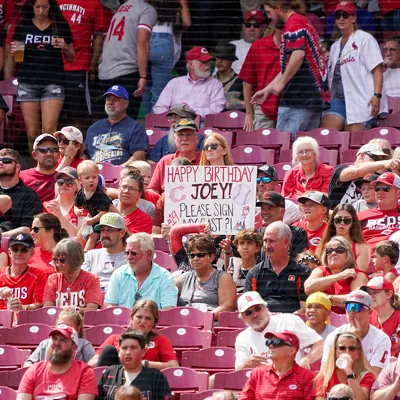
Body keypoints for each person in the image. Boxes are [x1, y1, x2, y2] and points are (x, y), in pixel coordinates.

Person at [5, 0, 74, 154]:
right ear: (32, 7)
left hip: (53, 80)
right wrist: (15, 52)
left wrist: (65, 46)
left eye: (45, 7)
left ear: (50, 7)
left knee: (49, 130)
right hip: (28, 81)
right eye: (37, 7)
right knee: (32, 134)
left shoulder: (59, 25)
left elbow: (72, 57)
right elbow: (18, 58)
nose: (41, 11)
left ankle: (51, 169)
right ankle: (35, 172)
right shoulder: (23, 25)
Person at [252, 0, 329, 134]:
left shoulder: (293, 24)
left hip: (298, 98)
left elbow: (298, 55)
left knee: (286, 145)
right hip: (313, 97)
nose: (269, 17)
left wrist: (282, 83)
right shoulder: (302, 21)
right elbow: (289, 66)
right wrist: (268, 89)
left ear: (279, 7)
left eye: (269, 12)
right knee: (306, 146)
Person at [320, 1, 386, 132]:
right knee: (327, 134)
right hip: (339, 98)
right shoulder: (334, 46)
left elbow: (378, 69)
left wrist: (376, 96)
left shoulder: (365, 39)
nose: (341, 18)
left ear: (353, 18)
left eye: (345, 15)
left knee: (354, 138)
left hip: (361, 98)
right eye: (338, 15)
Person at [98, 0, 157, 120]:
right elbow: (143, 43)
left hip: (105, 73)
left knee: (111, 122)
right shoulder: (146, 9)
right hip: (126, 72)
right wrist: (143, 76)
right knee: (126, 124)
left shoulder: (121, 9)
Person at [235, 291, 323, 370]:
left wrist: (306, 360)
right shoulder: (242, 337)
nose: (255, 315)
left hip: (294, 379)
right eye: (248, 313)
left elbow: (320, 344)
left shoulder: (289, 320)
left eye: (258, 308)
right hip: (263, 384)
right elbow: (238, 368)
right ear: (242, 318)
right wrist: (246, 364)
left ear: (266, 308)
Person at [88, 300, 178, 370]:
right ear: (131, 318)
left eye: (148, 318)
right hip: (115, 381)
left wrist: (143, 364)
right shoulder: (114, 338)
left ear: (154, 323)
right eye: (139, 317)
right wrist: (119, 358)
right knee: (109, 350)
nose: (142, 321)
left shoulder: (161, 341)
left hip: (145, 381)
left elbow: (173, 366)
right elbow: (91, 364)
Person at [57, 0, 104, 133]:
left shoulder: (94, 4)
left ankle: (79, 148)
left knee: (78, 114)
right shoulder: (53, 2)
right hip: (54, 66)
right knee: (55, 114)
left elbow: (98, 36)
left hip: (79, 67)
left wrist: (93, 64)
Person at [244, 221, 311, 313]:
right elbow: (248, 306)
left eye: (272, 241)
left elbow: (305, 309)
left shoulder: (303, 272)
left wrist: (283, 320)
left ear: (286, 243)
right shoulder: (254, 273)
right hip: (263, 322)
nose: (267, 246)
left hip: (292, 322)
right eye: (265, 241)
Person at [17, 325, 98, 399]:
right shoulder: (33, 371)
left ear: (74, 348)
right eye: (54, 339)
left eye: (63, 340)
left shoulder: (84, 372)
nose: (56, 343)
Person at [322, 290, 391, 375]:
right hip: (339, 384)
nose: (351, 311)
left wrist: (356, 342)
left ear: (370, 312)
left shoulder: (381, 339)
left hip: (367, 386)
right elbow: (324, 372)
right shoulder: (334, 335)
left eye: (357, 307)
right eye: (348, 306)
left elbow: (375, 375)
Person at [105, 233, 178, 310]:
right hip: (121, 322)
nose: (129, 257)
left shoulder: (165, 277)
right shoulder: (118, 274)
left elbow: (168, 310)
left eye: (133, 253)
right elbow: (109, 306)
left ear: (149, 254)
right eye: (127, 253)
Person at [238, 330, 315, 400]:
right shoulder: (258, 373)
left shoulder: (307, 377)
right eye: (269, 342)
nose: (271, 346)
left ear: (292, 351)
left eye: (276, 343)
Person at [153, 46, 226, 118]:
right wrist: (172, 117)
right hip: (173, 124)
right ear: (191, 64)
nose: (208, 65)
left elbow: (217, 109)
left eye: (209, 62)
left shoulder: (215, 84)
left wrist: (191, 114)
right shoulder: (175, 83)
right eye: (203, 62)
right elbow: (159, 107)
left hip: (202, 125)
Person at [97, 330, 172, 400]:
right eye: (124, 348)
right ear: (119, 352)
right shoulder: (110, 372)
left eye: (133, 348)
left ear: (143, 351)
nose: (128, 352)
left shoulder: (156, 377)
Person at [175, 234, 236, 318]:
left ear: (211, 257)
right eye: (192, 256)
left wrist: (203, 318)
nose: (195, 258)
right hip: (184, 321)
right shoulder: (183, 278)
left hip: (211, 324)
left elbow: (227, 306)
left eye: (200, 255)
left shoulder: (222, 277)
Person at [85, 85, 148, 165]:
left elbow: (139, 157)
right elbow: (85, 156)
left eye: (115, 100)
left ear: (126, 104)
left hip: (123, 174)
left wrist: (118, 170)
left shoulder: (136, 128)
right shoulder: (94, 128)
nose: (110, 103)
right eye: (108, 99)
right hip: (95, 175)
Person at [305, 236, 368, 314]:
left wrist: (327, 298)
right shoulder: (320, 271)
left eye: (339, 250)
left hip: (348, 319)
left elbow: (357, 300)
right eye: (329, 250)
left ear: (348, 254)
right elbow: (308, 288)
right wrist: (339, 276)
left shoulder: (357, 274)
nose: (333, 253)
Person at [239, 17, 281, 130]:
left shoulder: (297, 47)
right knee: (263, 145)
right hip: (264, 106)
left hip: (290, 106)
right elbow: (247, 82)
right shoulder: (258, 46)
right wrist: (249, 113)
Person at [142, 0, 183, 114]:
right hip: (163, 41)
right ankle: (155, 128)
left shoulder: (148, 4)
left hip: (146, 38)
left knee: (146, 89)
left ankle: (148, 126)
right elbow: (187, 23)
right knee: (159, 95)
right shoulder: (173, 3)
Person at [328, 143, 399, 208]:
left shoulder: (378, 176)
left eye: (381, 159)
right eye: (375, 158)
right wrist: (384, 163)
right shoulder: (340, 169)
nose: (378, 162)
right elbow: (356, 171)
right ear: (362, 156)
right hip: (341, 219)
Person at [43, 238, 103, 311]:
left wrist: (73, 310)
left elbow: (91, 310)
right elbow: (47, 309)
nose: (58, 264)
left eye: (62, 260)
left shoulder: (91, 279)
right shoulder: (53, 279)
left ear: (74, 259)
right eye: (55, 260)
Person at [25, 306, 95, 366]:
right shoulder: (45, 344)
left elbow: (93, 364)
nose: (63, 327)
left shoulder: (84, 344)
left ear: (77, 329)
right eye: (60, 324)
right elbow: (28, 363)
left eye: (68, 325)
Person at [314, 332, 375, 400]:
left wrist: (349, 372)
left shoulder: (366, 376)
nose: (347, 352)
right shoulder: (324, 377)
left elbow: (361, 399)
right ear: (335, 352)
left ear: (358, 354)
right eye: (342, 348)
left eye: (352, 348)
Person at [148, 119, 201, 194]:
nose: (185, 139)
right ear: (175, 139)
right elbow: (152, 190)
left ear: (196, 139)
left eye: (189, 134)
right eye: (180, 135)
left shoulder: (206, 160)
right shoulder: (165, 161)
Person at [0, 148, 42, 237]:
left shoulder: (30, 196)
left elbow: (27, 229)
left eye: (6, 160)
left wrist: (1, 236)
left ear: (18, 167)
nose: (1, 163)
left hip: (14, 246)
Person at [0, 233, 47, 311]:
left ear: (32, 253)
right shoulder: (1, 274)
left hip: (24, 319)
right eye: (15, 249)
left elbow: (39, 304)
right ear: (9, 252)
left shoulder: (38, 275)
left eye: (24, 250)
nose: (19, 253)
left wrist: (22, 307)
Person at [317, 204, 370, 272]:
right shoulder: (325, 245)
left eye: (346, 220)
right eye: (338, 220)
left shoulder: (361, 248)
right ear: (333, 222)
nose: (342, 223)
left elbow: (359, 274)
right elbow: (321, 270)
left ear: (352, 223)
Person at [82, 213, 128, 291]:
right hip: (94, 299)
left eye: (109, 230)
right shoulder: (91, 255)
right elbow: (83, 282)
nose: (104, 234)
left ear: (121, 233)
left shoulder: (130, 257)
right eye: (102, 230)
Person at [74, 160, 113, 251]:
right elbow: (76, 205)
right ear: (80, 179)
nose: (91, 180)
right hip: (91, 218)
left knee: (93, 237)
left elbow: (105, 211)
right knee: (79, 236)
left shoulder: (100, 194)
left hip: (102, 219)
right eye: (87, 178)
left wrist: (93, 220)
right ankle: (77, 253)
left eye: (94, 177)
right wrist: (77, 211)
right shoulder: (81, 193)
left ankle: (86, 254)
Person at [256, 191, 308, 257]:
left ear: (282, 211)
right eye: (263, 208)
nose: (265, 212)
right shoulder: (257, 234)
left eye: (270, 208)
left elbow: (299, 261)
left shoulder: (297, 233)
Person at [358, 172, 400, 251]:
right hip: (370, 259)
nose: (380, 192)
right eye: (377, 188)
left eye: (385, 188)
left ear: (398, 193)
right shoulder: (361, 216)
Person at [362, 277, 400, 357]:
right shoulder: (367, 315)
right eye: (369, 293)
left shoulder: (398, 317)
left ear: (389, 294)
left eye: (375, 292)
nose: (371, 296)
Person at [44, 166, 82, 237]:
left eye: (69, 182)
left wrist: (60, 216)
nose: (64, 185)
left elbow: (78, 238)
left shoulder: (80, 209)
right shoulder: (46, 206)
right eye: (60, 181)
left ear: (77, 185)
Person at [19, 133, 58, 202]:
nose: (49, 154)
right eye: (43, 150)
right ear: (35, 155)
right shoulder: (20, 177)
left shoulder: (64, 179)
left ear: (58, 154)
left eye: (53, 150)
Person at [230, 10, 266, 74]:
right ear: (243, 27)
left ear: (263, 28)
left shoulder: (268, 48)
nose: (251, 29)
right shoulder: (232, 45)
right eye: (248, 25)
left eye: (256, 25)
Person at [213, 41, 244, 111]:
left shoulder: (240, 82)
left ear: (232, 60)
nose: (219, 61)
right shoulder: (209, 81)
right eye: (217, 57)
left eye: (223, 58)